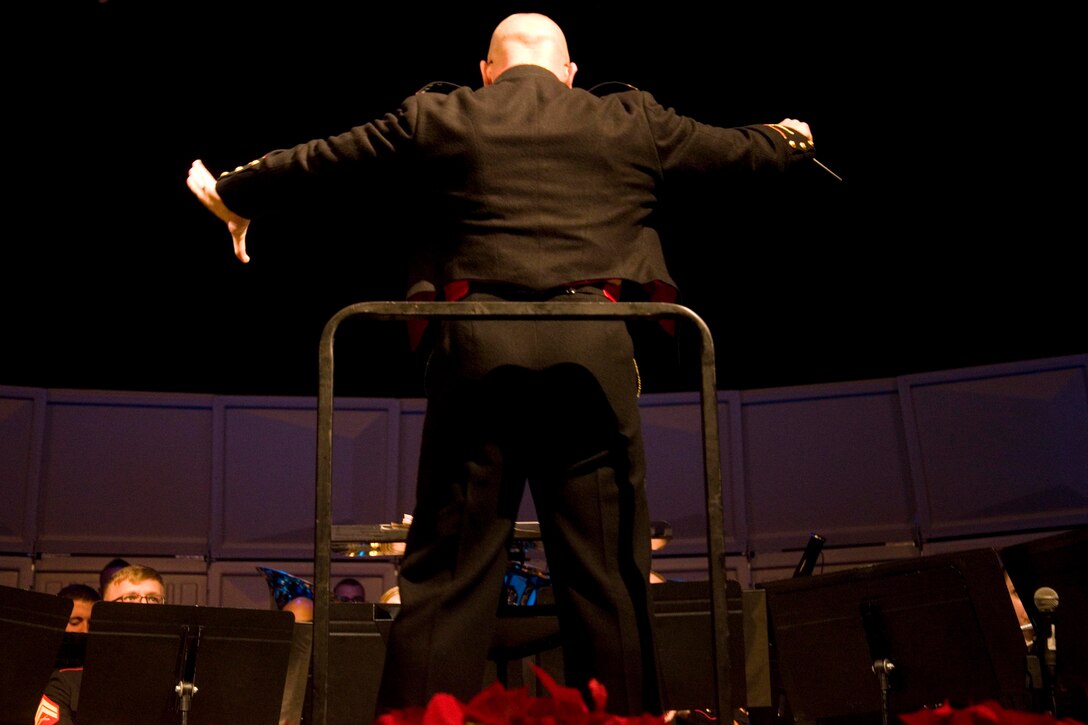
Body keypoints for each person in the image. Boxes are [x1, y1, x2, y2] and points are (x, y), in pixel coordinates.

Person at [187, 12, 815, 716]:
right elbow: (739, 153)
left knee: (448, 579)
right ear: (571, 71)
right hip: (593, 360)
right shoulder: (629, 117)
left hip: (475, 359)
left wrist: (232, 193)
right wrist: (790, 139)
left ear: (486, 70)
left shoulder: (443, 113)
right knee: (608, 578)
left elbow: (331, 158)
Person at [35, 565, 167, 725]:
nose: (144, 606)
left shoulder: (182, 686)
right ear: (104, 612)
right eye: (130, 598)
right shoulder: (66, 683)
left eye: (153, 598)